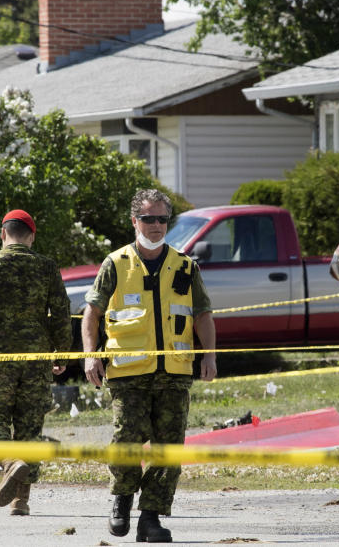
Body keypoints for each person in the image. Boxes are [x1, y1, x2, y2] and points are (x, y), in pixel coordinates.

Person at [82, 188, 217, 543]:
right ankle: (122, 499)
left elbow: (203, 313)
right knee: (126, 438)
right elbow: (91, 313)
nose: (156, 226)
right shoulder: (116, 263)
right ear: (134, 221)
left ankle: (151, 518)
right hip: (128, 372)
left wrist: (210, 353)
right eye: (148, 218)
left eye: (161, 219)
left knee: (168, 447)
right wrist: (90, 354)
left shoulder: (185, 265)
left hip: (174, 372)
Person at [0, 209, 71, 516]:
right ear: (31, 236)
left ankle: (9, 463)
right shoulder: (47, 267)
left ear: (3, 234)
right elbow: (61, 312)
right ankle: (21, 500)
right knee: (30, 427)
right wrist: (61, 351)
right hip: (36, 356)